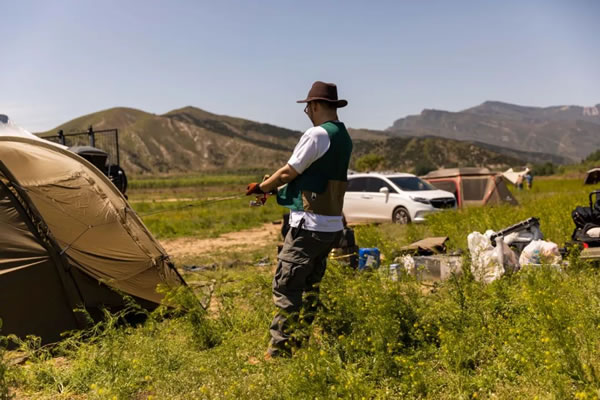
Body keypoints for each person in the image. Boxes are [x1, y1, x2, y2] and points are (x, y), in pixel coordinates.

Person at [246, 81, 353, 358]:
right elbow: (314, 177)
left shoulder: (317, 134)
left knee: (287, 284)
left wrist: (263, 187)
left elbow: (287, 173)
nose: (307, 112)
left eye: (307, 107)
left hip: (308, 225)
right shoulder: (343, 136)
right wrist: (275, 191)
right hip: (330, 224)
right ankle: (299, 344)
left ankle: (279, 351)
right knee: (310, 288)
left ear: (315, 106)